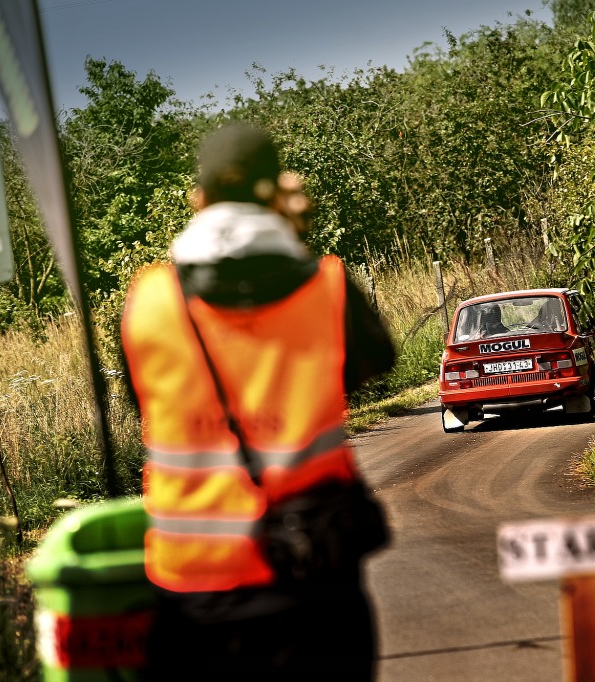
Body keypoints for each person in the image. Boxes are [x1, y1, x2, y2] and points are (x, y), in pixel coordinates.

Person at [119, 122, 395, 680]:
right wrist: (295, 238)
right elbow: (373, 364)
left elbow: (141, 398)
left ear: (198, 199)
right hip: (310, 583)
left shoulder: (147, 303)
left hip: (193, 596)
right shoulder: (328, 289)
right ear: (275, 195)